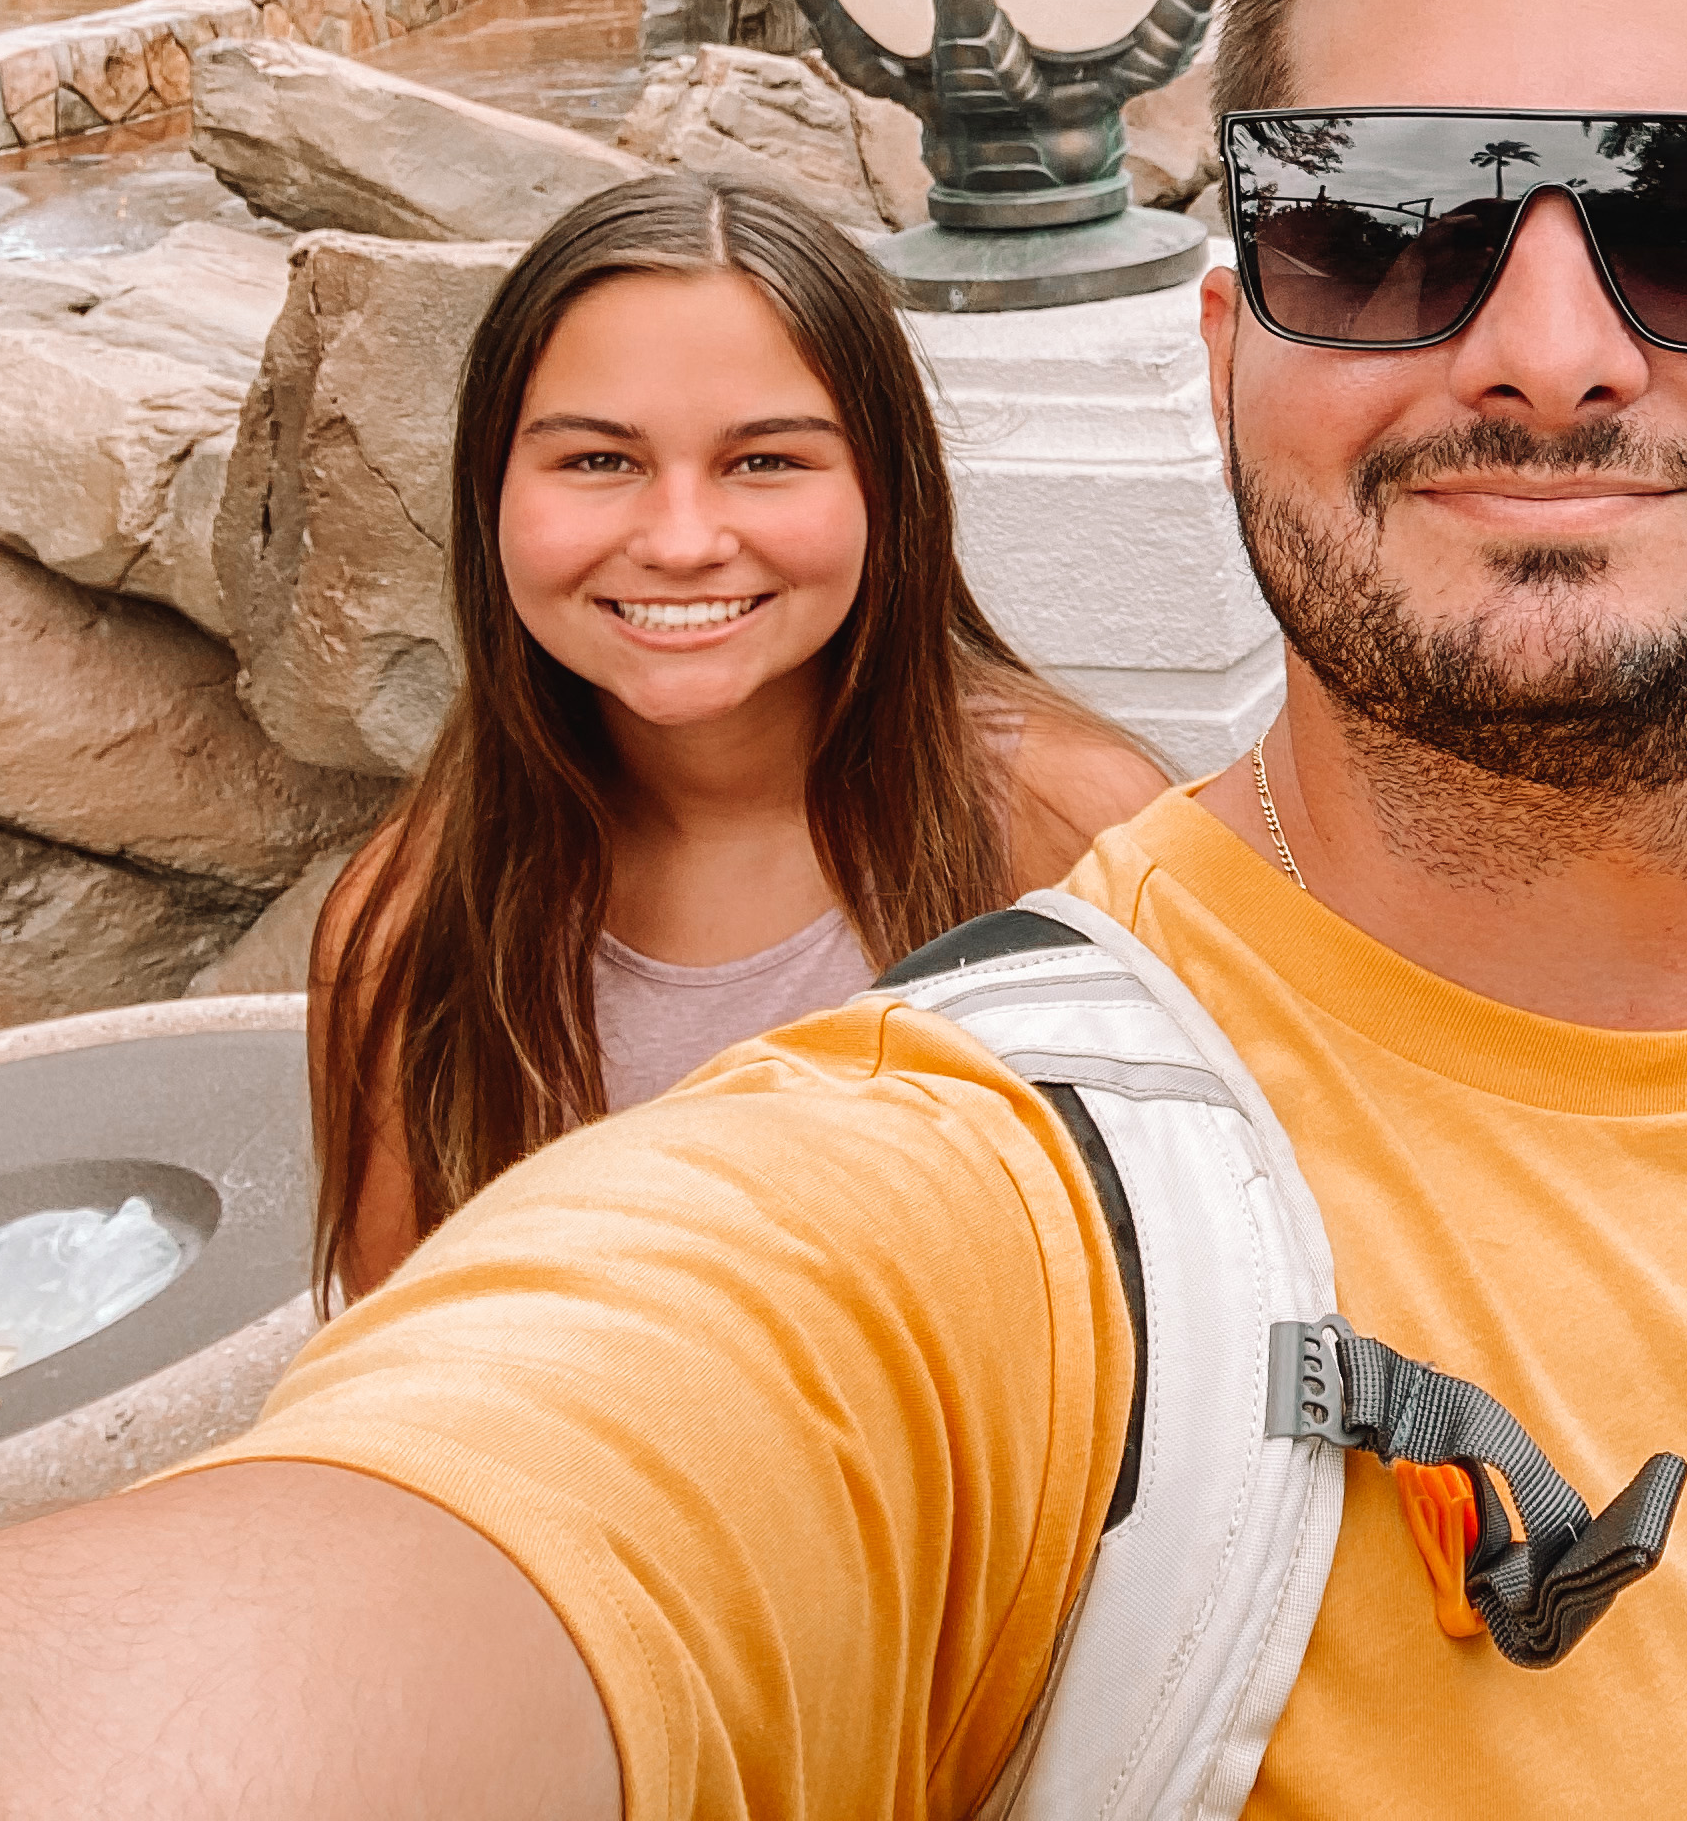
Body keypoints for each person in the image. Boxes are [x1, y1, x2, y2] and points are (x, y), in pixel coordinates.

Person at [0, 0, 1687, 1819]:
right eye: (1388, 221)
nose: (1550, 348)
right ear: (1225, 349)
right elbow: (435, 1539)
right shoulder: (974, 1200)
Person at [307, 170, 1161, 1298]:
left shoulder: (1075, 838)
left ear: (888, 490)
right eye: (598, 460)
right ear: (488, 495)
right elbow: (402, 1369)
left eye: (765, 461)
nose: (681, 541)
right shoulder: (408, 928)